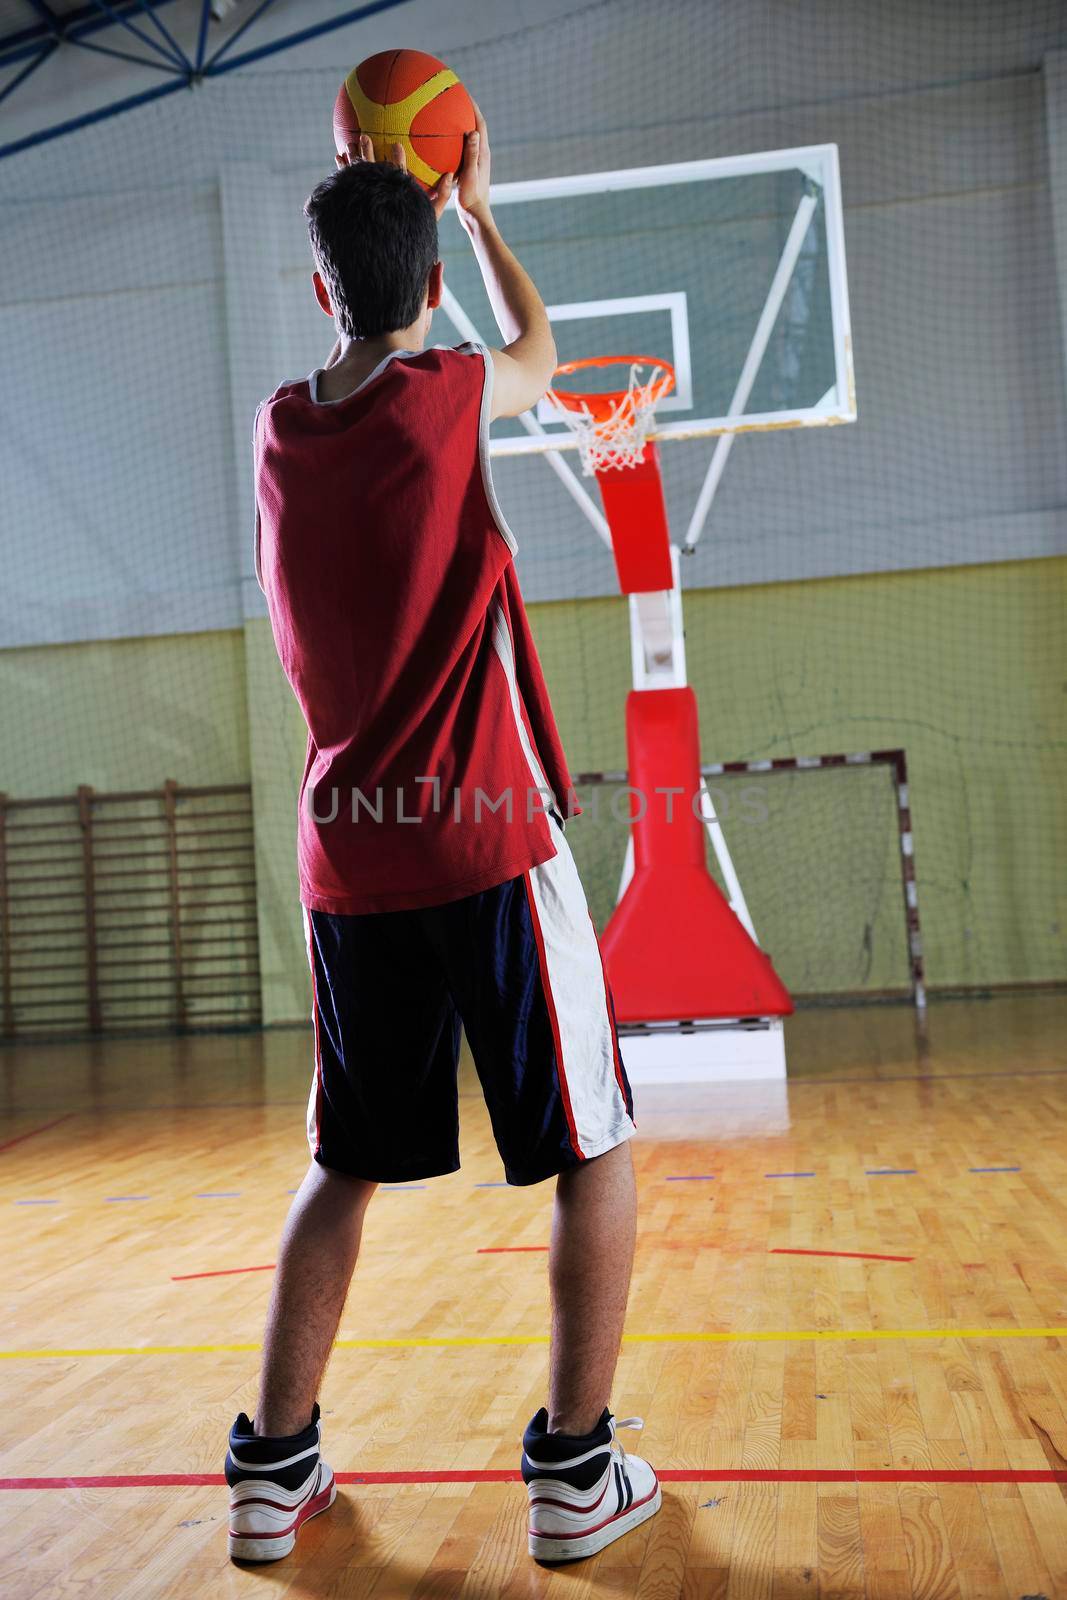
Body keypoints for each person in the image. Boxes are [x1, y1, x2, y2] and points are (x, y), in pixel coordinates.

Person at [225, 106, 660, 1567]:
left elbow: (375, 346)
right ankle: (576, 1471)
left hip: (347, 857)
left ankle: (273, 1468)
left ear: (316, 292)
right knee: (595, 1146)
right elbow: (540, 353)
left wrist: (399, 235)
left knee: (342, 1161)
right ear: (426, 296)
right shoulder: (450, 392)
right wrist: (481, 211)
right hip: (478, 836)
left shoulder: (285, 424)